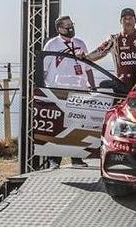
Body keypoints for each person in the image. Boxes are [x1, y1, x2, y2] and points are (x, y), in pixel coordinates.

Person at [43, 15, 90, 169]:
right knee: (58, 126)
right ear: (60, 29)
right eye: (67, 25)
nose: (71, 28)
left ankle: (76, 159)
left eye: (72, 24)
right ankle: (54, 160)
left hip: (79, 90)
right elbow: (44, 68)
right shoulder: (52, 44)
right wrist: (44, 90)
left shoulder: (80, 43)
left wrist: (92, 86)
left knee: (77, 125)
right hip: (58, 90)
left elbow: (88, 67)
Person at [80, 8, 136, 89]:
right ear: (120, 21)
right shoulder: (113, 39)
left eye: (130, 19)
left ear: (135, 20)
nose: (128, 21)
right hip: (121, 86)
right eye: (125, 19)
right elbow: (100, 52)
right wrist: (85, 57)